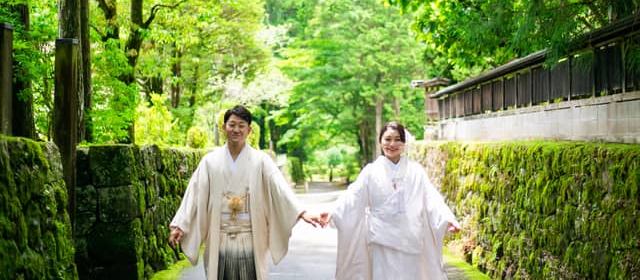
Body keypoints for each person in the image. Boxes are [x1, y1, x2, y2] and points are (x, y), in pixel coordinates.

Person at [168, 105, 320, 280]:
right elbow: (194, 195)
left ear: (249, 130)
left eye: (241, 125)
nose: (236, 129)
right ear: (224, 128)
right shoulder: (209, 162)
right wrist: (181, 225)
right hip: (220, 236)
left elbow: (280, 188)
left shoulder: (262, 161)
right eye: (232, 125)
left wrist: (302, 212)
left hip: (251, 236)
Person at [318, 121, 461, 280]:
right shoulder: (371, 172)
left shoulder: (416, 171)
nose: (392, 144)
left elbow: (431, 198)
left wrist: (447, 218)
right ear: (380, 142)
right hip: (381, 239)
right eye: (387, 139)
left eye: (397, 139)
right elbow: (353, 196)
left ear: (404, 143)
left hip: (410, 238)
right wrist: (332, 212)